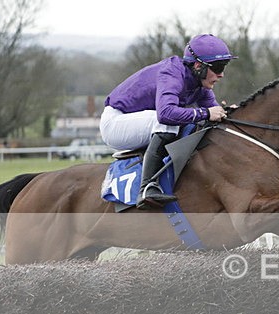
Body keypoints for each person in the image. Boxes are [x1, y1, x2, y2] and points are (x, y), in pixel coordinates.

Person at [100, 34, 235, 209]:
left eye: (224, 67)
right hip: (115, 123)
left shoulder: (199, 83)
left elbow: (213, 112)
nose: (221, 74)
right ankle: (147, 187)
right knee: (169, 122)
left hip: (139, 121)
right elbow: (165, 114)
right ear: (198, 66)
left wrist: (228, 113)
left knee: (195, 121)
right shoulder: (171, 73)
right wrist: (206, 113)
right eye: (217, 67)